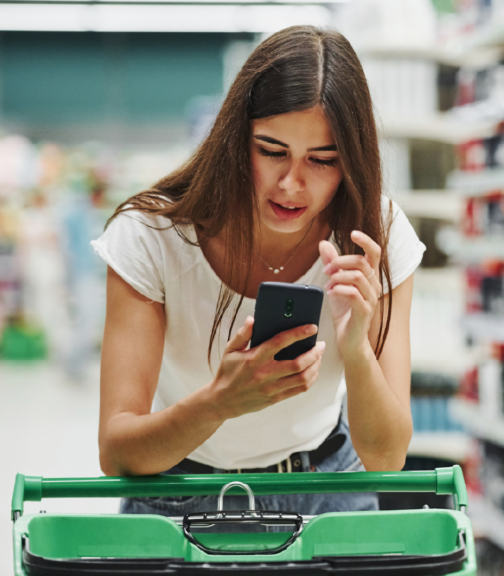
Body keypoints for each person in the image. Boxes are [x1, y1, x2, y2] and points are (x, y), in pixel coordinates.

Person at [92, 26, 425, 519]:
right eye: (271, 151)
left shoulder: (377, 234)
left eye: (323, 160)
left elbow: (386, 457)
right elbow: (116, 452)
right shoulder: (152, 236)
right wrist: (219, 402)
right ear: (234, 139)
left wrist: (356, 351)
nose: (291, 183)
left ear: (352, 162)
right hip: (177, 495)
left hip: (326, 489)